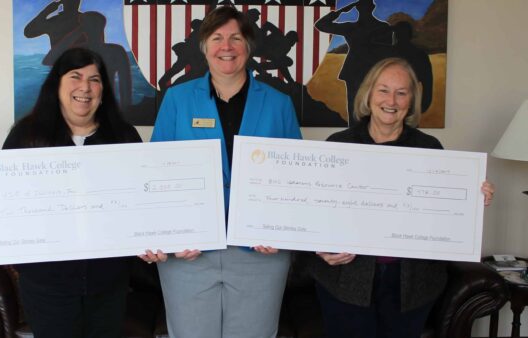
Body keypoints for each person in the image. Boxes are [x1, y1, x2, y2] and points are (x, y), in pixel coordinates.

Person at [0, 47, 142, 338]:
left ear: (103, 89)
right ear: (57, 84)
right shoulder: (27, 136)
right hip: (46, 284)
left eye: (95, 79)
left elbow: (142, 202)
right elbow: (0, 196)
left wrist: (159, 238)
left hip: (109, 283)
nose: (85, 87)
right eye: (75, 76)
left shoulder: (124, 136)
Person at [139, 6, 302, 338]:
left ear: (249, 46)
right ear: (204, 46)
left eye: (235, 38)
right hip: (189, 254)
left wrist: (281, 230)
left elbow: (294, 180)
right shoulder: (177, 99)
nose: (226, 46)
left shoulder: (279, 103)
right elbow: (157, 176)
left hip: (260, 255)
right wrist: (167, 236)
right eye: (217, 38)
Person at [305, 57, 495, 338]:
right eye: (383, 90)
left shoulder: (430, 148)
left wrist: (474, 198)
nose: (391, 100)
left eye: (401, 92)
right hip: (345, 282)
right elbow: (314, 209)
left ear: (411, 101)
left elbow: (443, 211)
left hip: (412, 285)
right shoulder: (339, 145)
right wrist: (319, 247)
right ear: (368, 95)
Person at [315, 0, 393, 126]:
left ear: (357, 9)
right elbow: (320, 25)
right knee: (360, 105)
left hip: (365, 70)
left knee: (361, 105)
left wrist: (341, 11)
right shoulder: (381, 27)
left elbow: (321, 24)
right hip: (366, 70)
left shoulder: (353, 27)